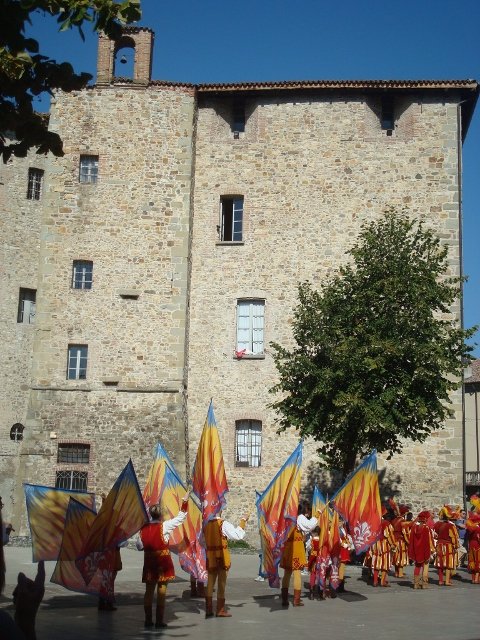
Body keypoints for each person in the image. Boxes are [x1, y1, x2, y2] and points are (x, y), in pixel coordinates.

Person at [137, 486, 191, 628]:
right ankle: (159, 621)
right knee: (162, 590)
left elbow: (139, 546)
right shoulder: (165, 526)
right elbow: (181, 518)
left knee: (148, 591)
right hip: (162, 563)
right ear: (160, 515)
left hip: (149, 563)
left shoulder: (143, 529)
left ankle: (148, 620)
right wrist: (184, 501)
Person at [203, 511, 250, 618]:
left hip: (210, 556)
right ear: (221, 510)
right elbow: (237, 535)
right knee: (221, 583)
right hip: (221, 557)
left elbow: (202, 541)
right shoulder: (223, 524)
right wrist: (243, 521)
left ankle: (209, 609)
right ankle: (220, 610)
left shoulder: (206, 524)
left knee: (210, 583)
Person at [280, 502, 319, 607]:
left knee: (287, 573)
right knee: (297, 573)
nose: (307, 513)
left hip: (288, 547)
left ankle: (284, 599)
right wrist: (317, 516)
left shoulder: (288, 517)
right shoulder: (300, 517)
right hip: (296, 548)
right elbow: (309, 526)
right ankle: (296, 600)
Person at [434, 505, 460, 586]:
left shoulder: (437, 524)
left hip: (439, 545)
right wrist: (456, 546)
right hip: (448, 546)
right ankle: (447, 581)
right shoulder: (451, 525)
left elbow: (435, 534)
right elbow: (454, 537)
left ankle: (440, 580)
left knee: (440, 563)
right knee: (448, 563)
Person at [408, 510, 435, 589]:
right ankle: (424, 584)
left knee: (417, 566)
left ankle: (416, 584)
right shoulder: (426, 528)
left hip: (416, 550)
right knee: (425, 566)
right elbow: (430, 540)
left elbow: (411, 539)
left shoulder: (414, 528)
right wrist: (433, 549)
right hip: (424, 549)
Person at [369, 508, 396, 587]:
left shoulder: (373, 523)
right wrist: (393, 544)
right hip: (384, 545)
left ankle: (375, 581)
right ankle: (382, 581)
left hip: (375, 545)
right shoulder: (386, 523)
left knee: (376, 563)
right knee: (385, 563)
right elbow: (389, 535)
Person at [391, 504, 411, 578]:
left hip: (394, 540)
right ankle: (400, 573)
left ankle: (396, 572)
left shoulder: (393, 520)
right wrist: (409, 542)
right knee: (401, 557)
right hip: (401, 541)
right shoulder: (403, 521)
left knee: (396, 556)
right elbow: (405, 533)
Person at [466, 511, 480, 584]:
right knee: (478, 561)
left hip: (471, 544)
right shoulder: (478, 528)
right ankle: (476, 579)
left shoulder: (470, 528)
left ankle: (473, 579)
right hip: (477, 545)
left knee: (472, 562)